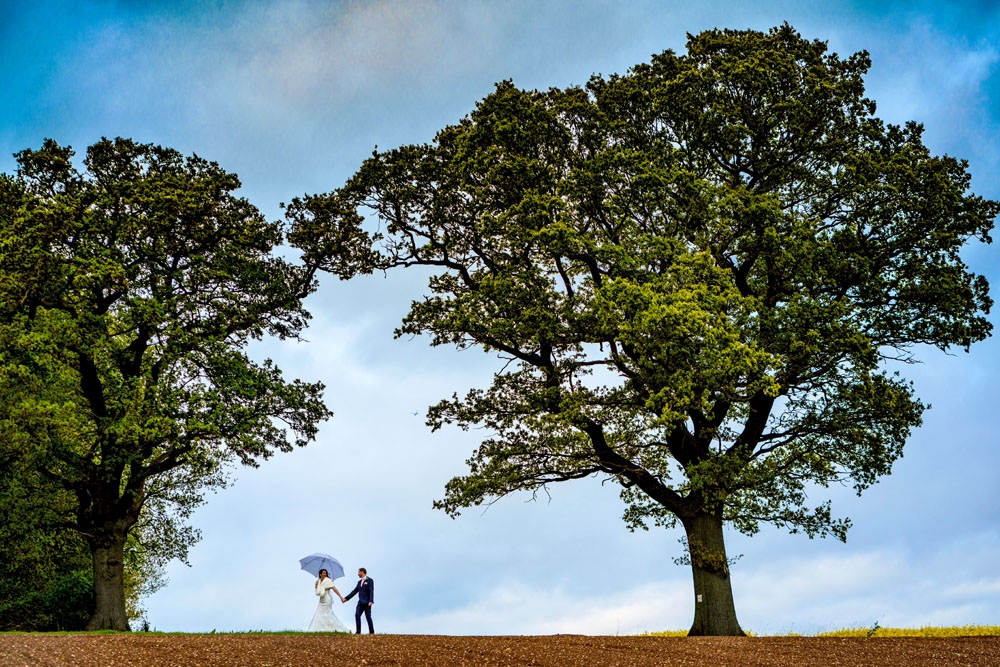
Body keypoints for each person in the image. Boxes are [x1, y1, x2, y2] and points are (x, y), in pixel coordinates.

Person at [307, 568, 349, 632]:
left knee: (327, 613)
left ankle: (331, 628)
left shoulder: (328, 581)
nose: (325, 574)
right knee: (319, 613)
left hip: (327, 599)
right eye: (323, 573)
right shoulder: (318, 581)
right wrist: (315, 586)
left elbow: (334, 589)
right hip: (321, 600)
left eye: (325, 573)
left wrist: (341, 597)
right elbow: (317, 592)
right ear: (320, 574)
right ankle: (319, 629)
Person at [342, 567, 374, 634]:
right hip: (360, 603)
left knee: (368, 617)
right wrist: (346, 598)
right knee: (357, 615)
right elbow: (354, 591)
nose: (358, 574)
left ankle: (371, 632)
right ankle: (358, 632)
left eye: (358, 572)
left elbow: (371, 591)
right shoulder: (359, 582)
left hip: (367, 602)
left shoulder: (370, 580)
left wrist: (371, 601)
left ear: (362, 572)